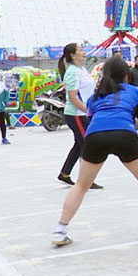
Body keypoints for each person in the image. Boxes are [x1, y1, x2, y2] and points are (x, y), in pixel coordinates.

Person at [51, 56, 138, 247]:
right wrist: (131, 122)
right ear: (127, 75)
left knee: (81, 185)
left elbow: (92, 120)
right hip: (124, 135)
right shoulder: (137, 92)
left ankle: (60, 231)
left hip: (95, 137)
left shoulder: (95, 97)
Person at [57, 44, 102, 189]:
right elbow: (73, 97)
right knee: (87, 146)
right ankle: (86, 180)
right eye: (80, 50)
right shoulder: (72, 72)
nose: (84, 53)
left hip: (83, 113)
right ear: (72, 55)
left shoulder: (81, 69)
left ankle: (64, 174)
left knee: (79, 144)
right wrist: (89, 111)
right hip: (76, 114)